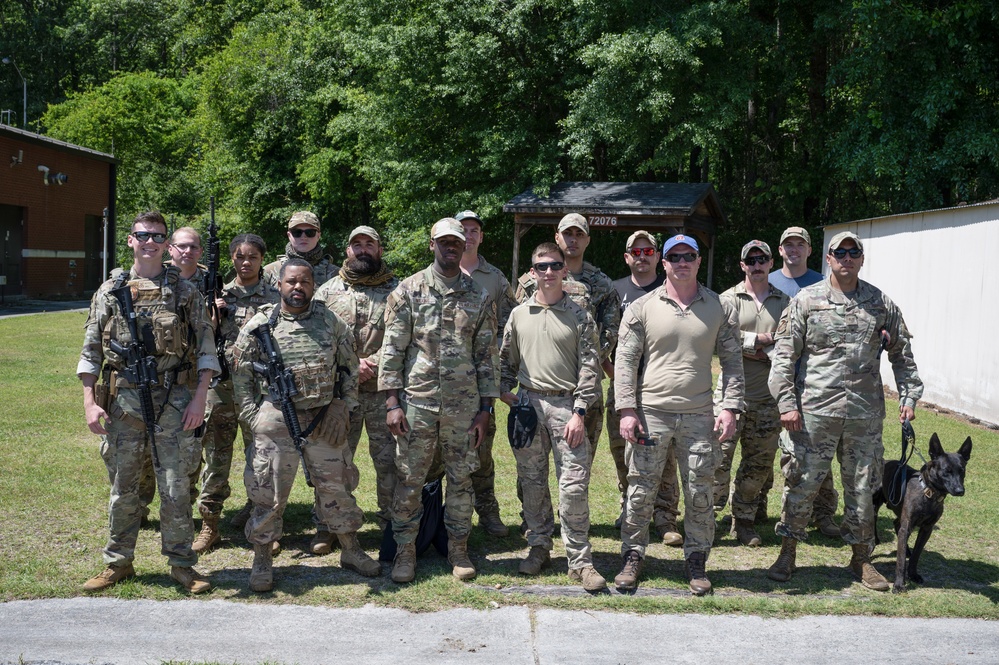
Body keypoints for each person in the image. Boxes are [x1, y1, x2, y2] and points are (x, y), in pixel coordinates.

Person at [766, 231, 923, 591]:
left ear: (862, 258)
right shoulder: (806, 301)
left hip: (863, 418)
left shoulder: (880, 303)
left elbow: (902, 354)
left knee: (863, 488)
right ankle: (788, 552)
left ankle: (861, 559)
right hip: (812, 415)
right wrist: (787, 404)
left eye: (854, 252)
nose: (847, 258)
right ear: (829, 258)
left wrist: (909, 396)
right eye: (840, 252)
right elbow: (784, 358)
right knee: (802, 484)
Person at [78, 211, 220, 594]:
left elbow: (207, 351)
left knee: (175, 487)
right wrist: (91, 402)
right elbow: (91, 353)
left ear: (166, 243)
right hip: (125, 402)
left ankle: (181, 565)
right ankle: (117, 563)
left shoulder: (187, 292)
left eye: (158, 236)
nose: (150, 242)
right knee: (124, 487)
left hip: (175, 401)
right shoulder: (110, 291)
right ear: (131, 240)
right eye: (143, 235)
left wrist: (199, 400)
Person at [232, 259, 379, 592]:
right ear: (280, 285)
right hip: (277, 417)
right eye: (291, 282)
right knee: (268, 491)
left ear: (314, 285)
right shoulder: (260, 325)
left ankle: (351, 550)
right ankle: (262, 558)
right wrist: (253, 415)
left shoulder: (331, 321)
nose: (298, 288)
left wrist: (344, 405)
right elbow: (240, 373)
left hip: (324, 416)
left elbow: (350, 369)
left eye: (305, 282)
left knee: (337, 486)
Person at [614, 234, 744, 595]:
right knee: (640, 488)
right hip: (651, 413)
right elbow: (624, 361)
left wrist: (730, 406)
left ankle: (697, 560)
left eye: (689, 255)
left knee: (700, 492)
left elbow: (733, 362)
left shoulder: (719, 307)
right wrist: (627, 410)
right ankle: (632, 555)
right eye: (674, 256)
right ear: (664, 263)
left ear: (699, 261)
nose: (682, 261)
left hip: (700, 414)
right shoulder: (641, 307)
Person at [378, 218, 498, 583]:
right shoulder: (408, 291)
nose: (450, 247)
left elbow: (486, 356)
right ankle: (405, 551)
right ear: (432, 244)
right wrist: (392, 403)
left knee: (461, 480)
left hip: (464, 409)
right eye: (444, 241)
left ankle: (459, 549)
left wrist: (486, 410)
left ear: (465, 247)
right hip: (418, 404)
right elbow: (392, 351)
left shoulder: (478, 295)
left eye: (456, 242)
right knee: (410, 480)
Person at [499, 242, 606, 591]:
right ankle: (538, 547)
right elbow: (505, 362)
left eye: (554, 266)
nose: (548, 272)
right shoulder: (519, 315)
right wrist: (507, 395)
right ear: (532, 272)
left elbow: (590, 367)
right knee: (531, 484)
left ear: (564, 270)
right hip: (529, 407)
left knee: (573, 486)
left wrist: (579, 411)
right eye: (541, 266)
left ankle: (580, 561)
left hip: (567, 408)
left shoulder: (579, 315)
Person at [310, 225, 399, 554]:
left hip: (381, 392)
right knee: (332, 461)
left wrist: (371, 364)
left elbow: (401, 337)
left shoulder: (396, 291)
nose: (362, 249)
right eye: (356, 244)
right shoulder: (327, 291)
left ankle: (392, 525)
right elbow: (316, 337)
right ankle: (328, 526)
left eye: (369, 244)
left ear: (379, 249)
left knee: (388, 462)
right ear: (347, 250)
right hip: (337, 396)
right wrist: (349, 367)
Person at [194, 234, 280, 553]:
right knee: (216, 457)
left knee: (261, 457)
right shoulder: (219, 294)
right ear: (232, 259)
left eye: (253, 257)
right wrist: (212, 312)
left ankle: (262, 525)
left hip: (259, 391)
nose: (246, 262)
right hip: (223, 389)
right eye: (240, 256)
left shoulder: (275, 296)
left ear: (261, 259)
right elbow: (201, 338)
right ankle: (209, 524)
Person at [515, 213, 619, 466]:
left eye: (579, 234)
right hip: (539, 387)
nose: (573, 240)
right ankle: (532, 508)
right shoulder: (531, 282)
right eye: (568, 234)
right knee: (531, 468)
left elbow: (610, 331)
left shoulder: (601, 283)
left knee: (578, 465)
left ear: (587, 240)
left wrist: (584, 360)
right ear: (557, 237)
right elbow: (517, 326)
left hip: (584, 387)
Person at [606, 231, 683, 547]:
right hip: (620, 386)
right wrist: (617, 378)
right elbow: (604, 342)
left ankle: (665, 518)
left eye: (648, 250)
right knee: (622, 451)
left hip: (660, 389)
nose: (642, 255)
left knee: (664, 455)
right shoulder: (615, 291)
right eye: (635, 251)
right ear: (627, 257)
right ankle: (631, 507)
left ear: (657, 257)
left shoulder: (672, 289)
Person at [712, 240, 789, 547]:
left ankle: (743, 521)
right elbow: (720, 339)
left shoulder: (785, 301)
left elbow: (788, 343)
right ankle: (709, 518)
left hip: (768, 399)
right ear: (742, 265)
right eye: (751, 260)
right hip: (730, 397)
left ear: (771, 263)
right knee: (717, 460)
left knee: (757, 466)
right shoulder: (727, 299)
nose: (757, 264)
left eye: (762, 259)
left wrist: (755, 347)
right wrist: (758, 341)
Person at [767, 226, 839, 536]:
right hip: (773, 380)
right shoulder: (767, 282)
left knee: (816, 453)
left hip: (814, 386)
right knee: (769, 450)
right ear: (780, 250)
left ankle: (822, 514)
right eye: (788, 245)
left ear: (810, 250)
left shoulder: (824, 285)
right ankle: (758, 510)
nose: (794, 249)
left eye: (800, 245)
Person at [456, 209, 518, 538]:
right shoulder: (436, 273)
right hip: (441, 382)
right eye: (463, 228)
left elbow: (510, 325)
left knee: (481, 446)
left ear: (481, 236)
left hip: (481, 377)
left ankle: (488, 511)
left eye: (474, 230)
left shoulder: (494, 278)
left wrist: (493, 359)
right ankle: (446, 515)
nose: (468, 234)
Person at [262, 211, 339, 288]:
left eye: (310, 232)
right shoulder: (269, 272)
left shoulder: (336, 274)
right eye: (297, 232)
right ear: (289, 235)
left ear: (318, 235)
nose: (303, 237)